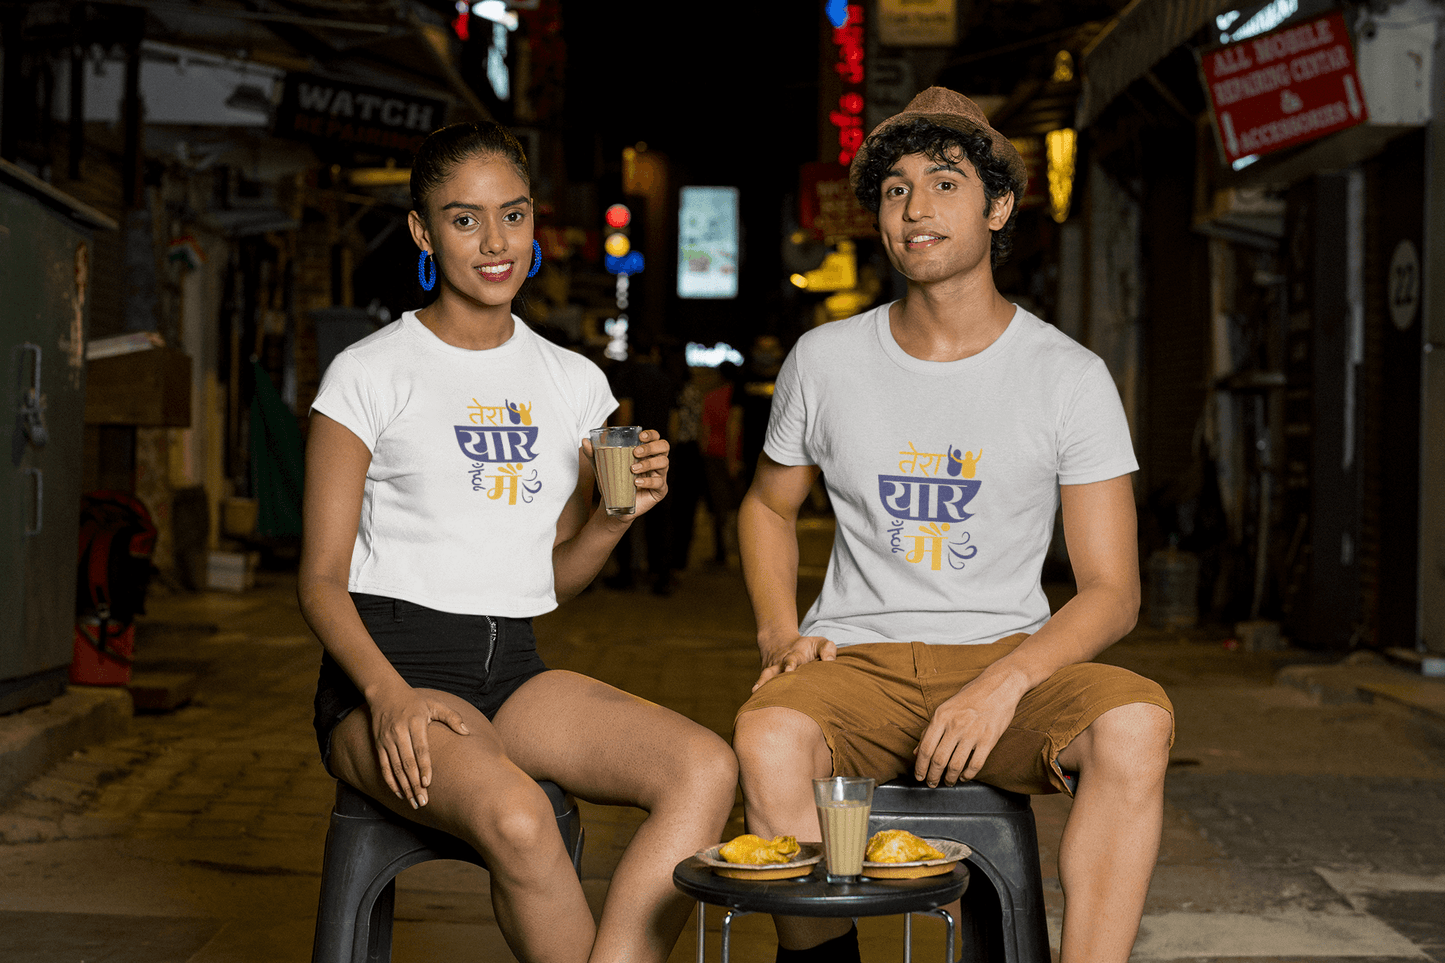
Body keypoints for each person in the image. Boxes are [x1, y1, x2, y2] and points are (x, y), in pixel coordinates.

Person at [732, 88, 1174, 963]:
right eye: (895, 190)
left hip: (1004, 655)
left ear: (998, 205)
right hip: (854, 662)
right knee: (766, 733)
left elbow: (1113, 590)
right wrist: (779, 631)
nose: (916, 208)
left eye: (943, 182)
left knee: (1136, 722)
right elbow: (766, 504)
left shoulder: (1067, 376)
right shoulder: (824, 360)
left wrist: (1006, 681)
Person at [297, 121, 737, 963]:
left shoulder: (574, 384)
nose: (495, 242)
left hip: (515, 671)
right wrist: (387, 696)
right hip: (386, 673)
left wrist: (613, 518)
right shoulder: (369, 370)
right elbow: (318, 578)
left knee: (705, 766)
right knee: (519, 814)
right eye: (464, 220)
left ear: (535, 222)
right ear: (424, 231)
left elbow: (552, 580)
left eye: (513, 214)